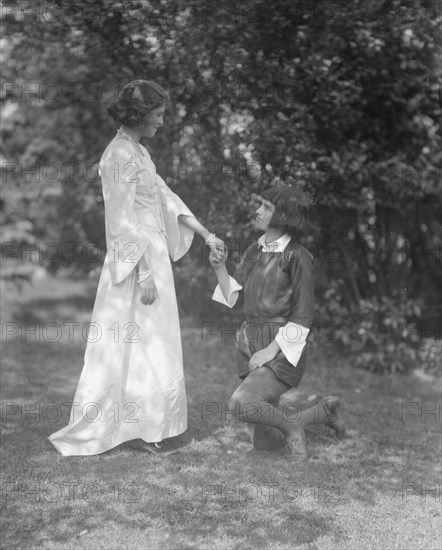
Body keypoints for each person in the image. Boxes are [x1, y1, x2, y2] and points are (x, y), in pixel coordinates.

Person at [49, 79, 225, 456]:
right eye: (158, 115)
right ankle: (137, 427)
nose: (162, 122)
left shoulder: (140, 153)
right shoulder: (116, 156)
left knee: (155, 339)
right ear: (140, 115)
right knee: (134, 341)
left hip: (153, 255)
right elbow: (121, 218)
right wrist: (142, 271)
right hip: (135, 264)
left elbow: (164, 197)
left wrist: (207, 234)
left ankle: (154, 423)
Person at [209, 183, 345, 461]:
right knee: (264, 443)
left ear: (283, 216)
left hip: (281, 347)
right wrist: (218, 267)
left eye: (266, 207)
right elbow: (232, 295)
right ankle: (321, 413)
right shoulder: (253, 251)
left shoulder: (298, 256)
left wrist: (270, 350)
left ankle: (293, 427)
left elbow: (303, 315)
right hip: (249, 342)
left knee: (240, 403)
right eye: (261, 205)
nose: (258, 211)